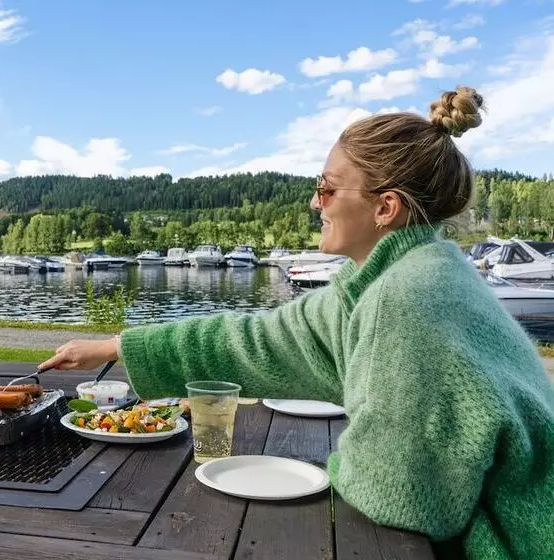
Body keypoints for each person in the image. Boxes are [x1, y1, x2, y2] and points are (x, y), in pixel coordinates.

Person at [38, 86, 554, 559]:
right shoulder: (403, 275)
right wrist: (118, 347)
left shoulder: (406, 298)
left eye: (327, 190)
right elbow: (258, 341)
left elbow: (403, 499)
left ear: (386, 207)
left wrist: (338, 464)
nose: (314, 202)